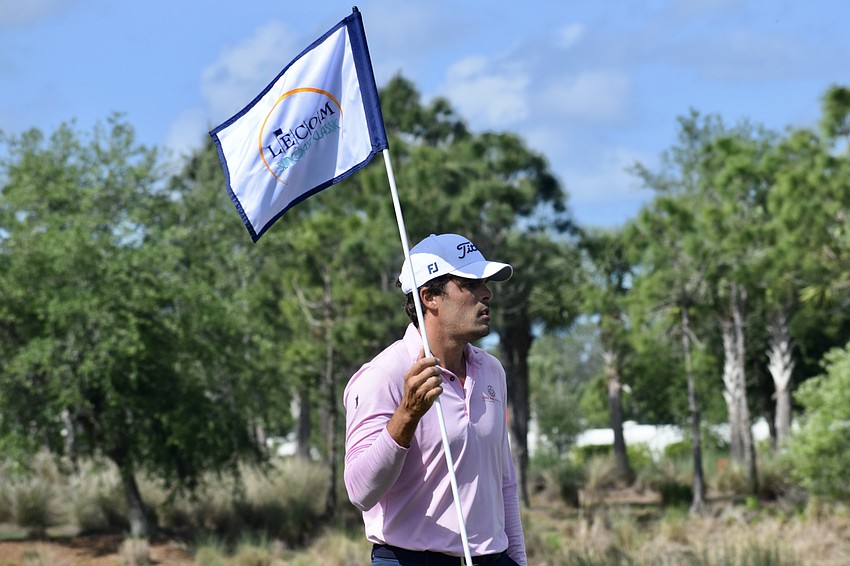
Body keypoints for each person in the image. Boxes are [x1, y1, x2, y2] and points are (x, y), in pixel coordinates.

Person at [343, 233, 527, 566]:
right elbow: (360, 492)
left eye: (485, 283)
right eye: (470, 284)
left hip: (492, 558)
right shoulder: (383, 375)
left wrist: (517, 559)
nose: (487, 293)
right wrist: (407, 415)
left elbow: (505, 483)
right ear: (429, 297)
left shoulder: (492, 370)